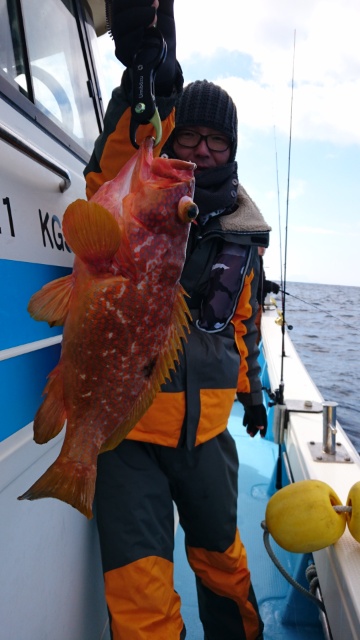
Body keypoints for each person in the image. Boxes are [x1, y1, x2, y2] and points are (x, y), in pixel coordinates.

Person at [85, 2, 271, 638]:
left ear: (232, 149)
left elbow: (241, 325)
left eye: (217, 139)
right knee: (141, 601)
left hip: (209, 435)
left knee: (227, 570)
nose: (202, 148)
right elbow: (112, 169)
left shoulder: (246, 236)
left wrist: (253, 395)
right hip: (129, 432)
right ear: (169, 139)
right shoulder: (147, 196)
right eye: (189, 135)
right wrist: (153, 81)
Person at [255, 247, 280, 343]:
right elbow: (257, 282)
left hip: (257, 302)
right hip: (255, 304)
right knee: (255, 329)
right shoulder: (255, 259)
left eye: (264, 247)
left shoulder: (258, 259)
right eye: (260, 246)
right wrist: (272, 286)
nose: (263, 249)